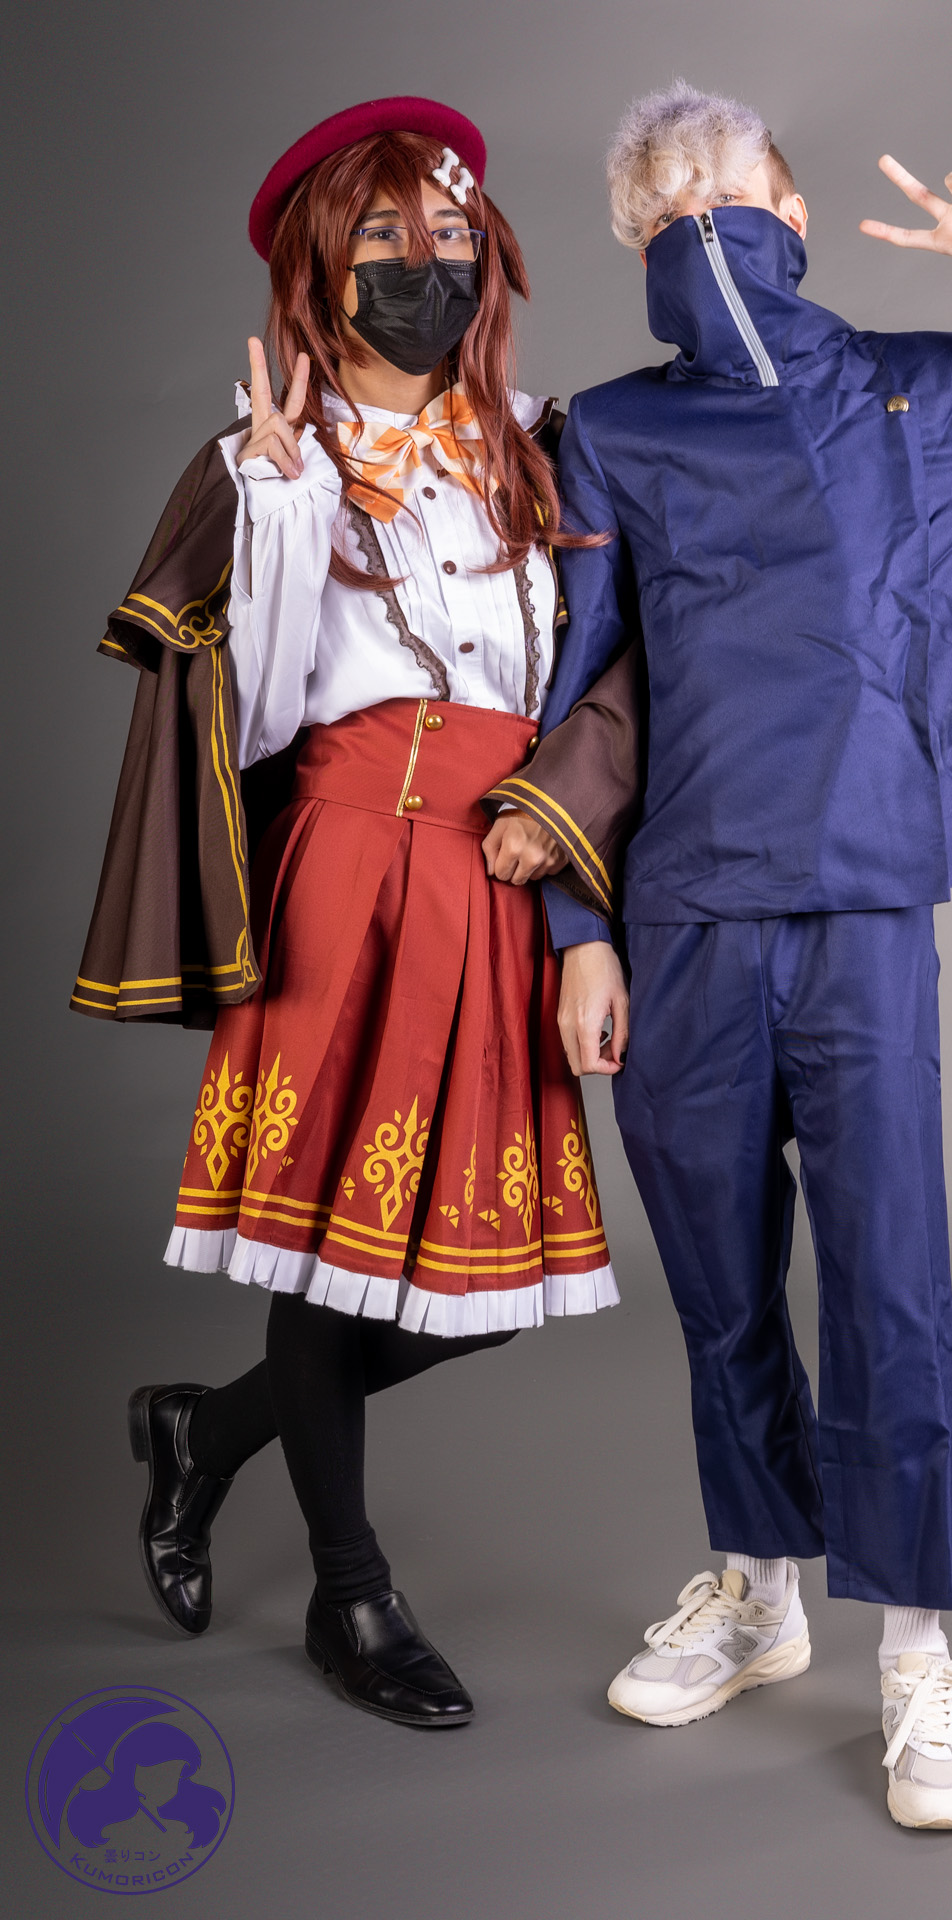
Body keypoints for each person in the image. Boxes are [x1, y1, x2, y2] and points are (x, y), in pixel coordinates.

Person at [519, 80, 952, 1828]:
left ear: (796, 211)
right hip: (681, 908)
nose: (703, 229)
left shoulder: (933, 392)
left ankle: (912, 1652)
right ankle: (757, 1588)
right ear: (632, 240)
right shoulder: (610, 431)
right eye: (665, 213)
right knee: (717, 1276)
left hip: (863, 898)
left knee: (887, 1277)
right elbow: (578, 698)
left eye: (728, 196)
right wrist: (578, 929)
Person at [73, 96, 615, 1728]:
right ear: (320, 266)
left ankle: (207, 1431)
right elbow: (251, 720)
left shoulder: (540, 445)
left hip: (499, 876)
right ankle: (350, 1590)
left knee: (472, 1285)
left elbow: (600, 674)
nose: (422, 266)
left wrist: (563, 849)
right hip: (345, 871)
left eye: (449, 237)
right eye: (382, 239)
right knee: (324, 1260)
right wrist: (282, 496)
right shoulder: (271, 463)